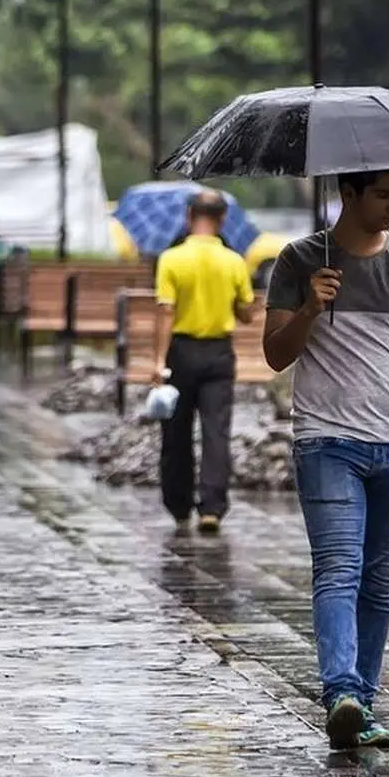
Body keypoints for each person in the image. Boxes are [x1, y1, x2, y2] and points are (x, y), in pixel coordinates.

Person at [263, 169, 389, 751]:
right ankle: (342, 692)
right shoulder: (299, 261)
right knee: (340, 569)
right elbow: (275, 356)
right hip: (328, 442)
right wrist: (309, 310)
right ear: (347, 195)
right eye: (382, 194)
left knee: (378, 584)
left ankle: (361, 709)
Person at [151, 189, 256, 533]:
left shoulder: (171, 259)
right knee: (216, 431)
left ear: (189, 216)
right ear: (222, 219)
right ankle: (211, 507)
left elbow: (166, 312)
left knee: (177, 431)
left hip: (180, 352)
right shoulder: (234, 261)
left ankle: (179, 504)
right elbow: (245, 313)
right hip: (219, 354)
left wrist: (157, 361)